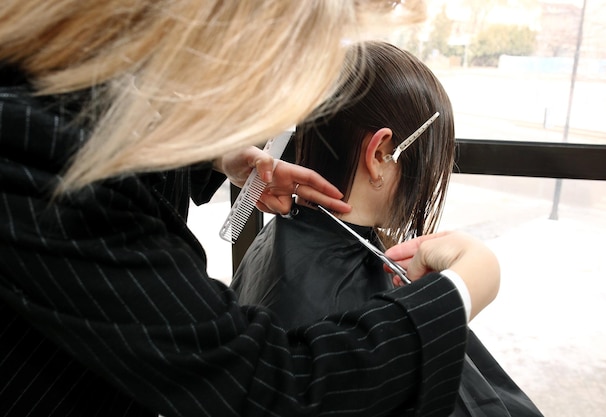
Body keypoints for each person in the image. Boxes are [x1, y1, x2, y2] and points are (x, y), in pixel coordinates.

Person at [0, 1, 499, 416]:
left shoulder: (79, 83)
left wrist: (216, 153)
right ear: (381, 153)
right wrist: (463, 286)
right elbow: (270, 392)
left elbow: (122, 110)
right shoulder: (33, 145)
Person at [232, 41, 543, 416]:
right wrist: (473, 278)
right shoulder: (349, 295)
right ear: (380, 153)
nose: (428, 180)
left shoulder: (278, 236)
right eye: (430, 163)